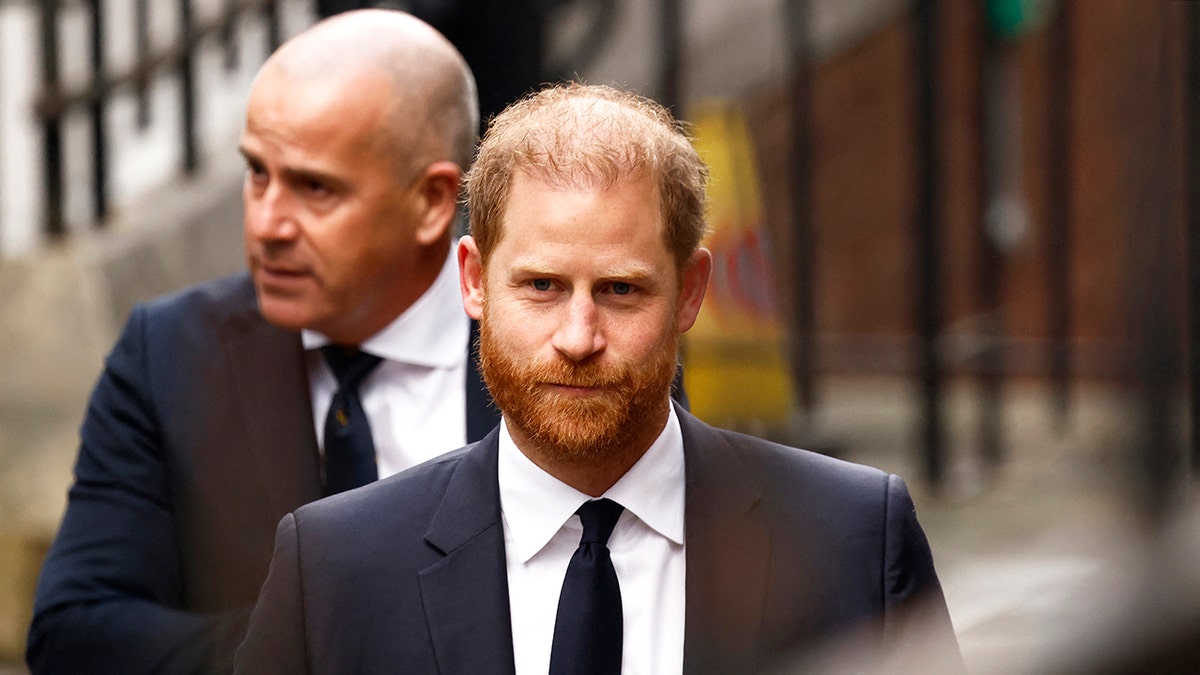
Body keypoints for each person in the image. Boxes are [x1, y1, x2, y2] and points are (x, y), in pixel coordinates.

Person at [234, 82, 961, 674]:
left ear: (691, 291)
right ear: (474, 281)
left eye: (620, 290)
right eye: (542, 286)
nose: (578, 338)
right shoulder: (334, 568)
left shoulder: (855, 539)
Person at [26, 10, 492, 675]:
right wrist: (310, 640)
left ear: (432, 201)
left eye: (314, 188)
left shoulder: (554, 352)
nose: (267, 223)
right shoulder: (171, 353)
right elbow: (75, 632)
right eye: (256, 174)